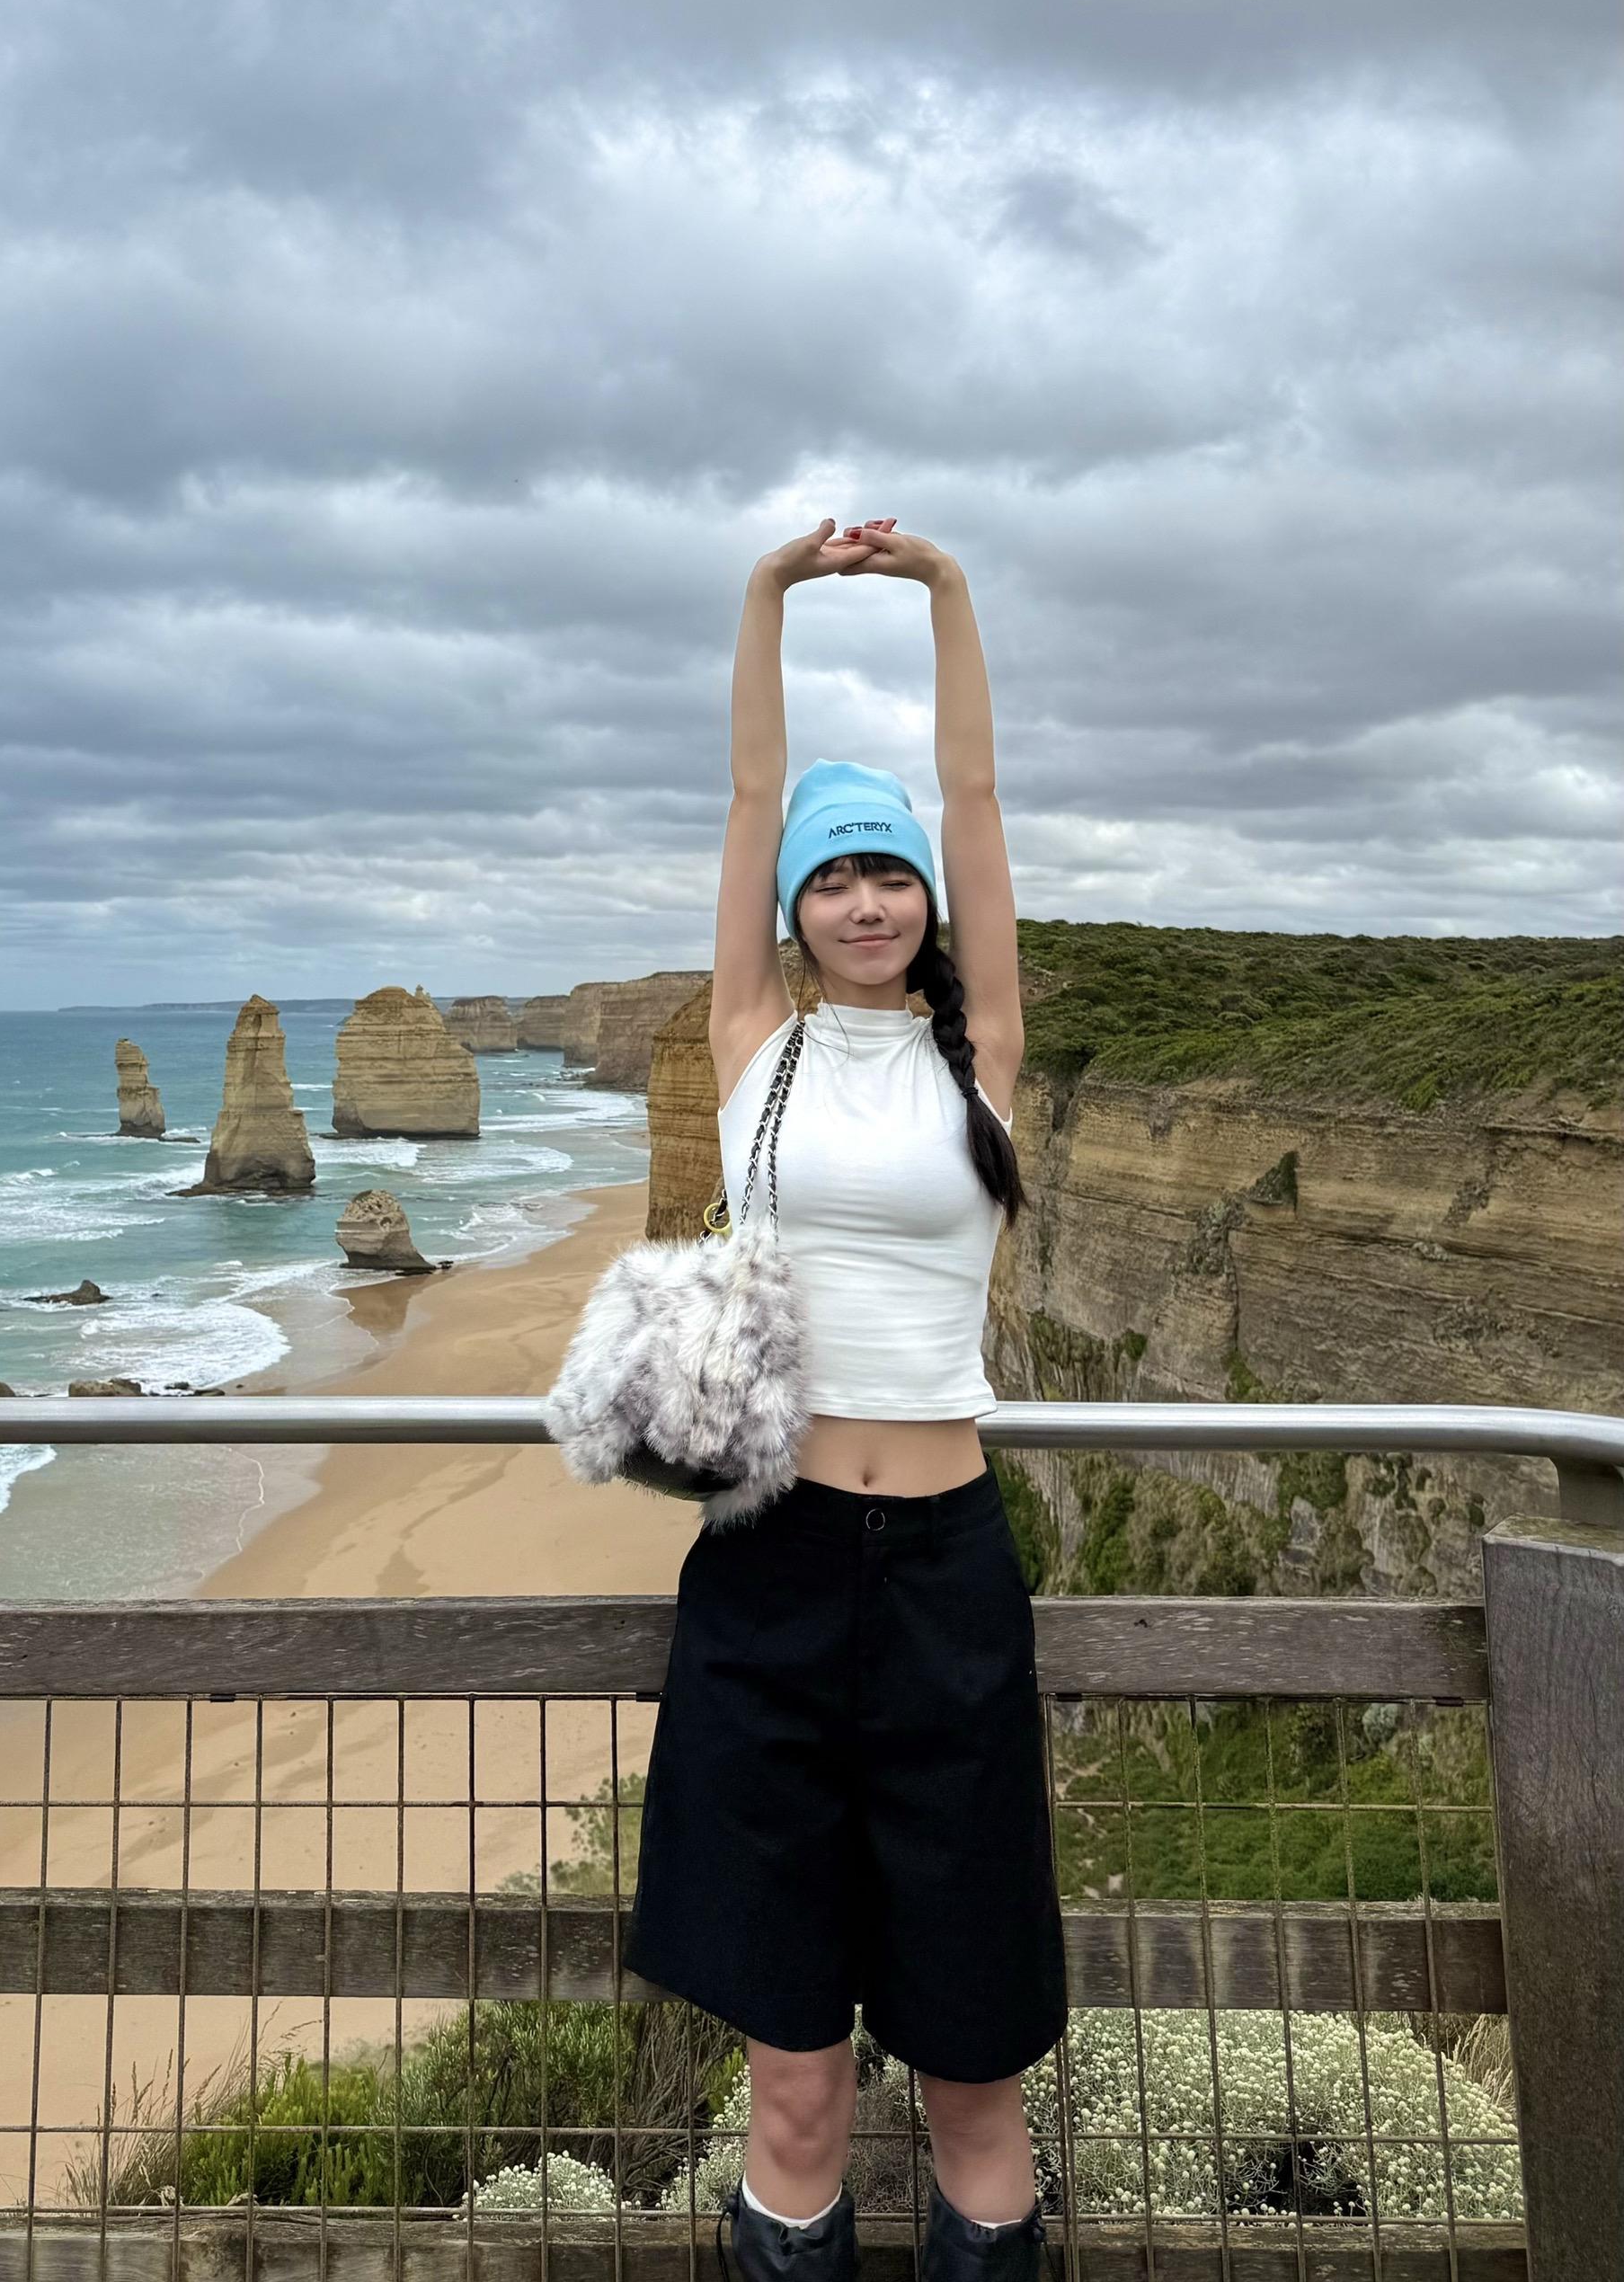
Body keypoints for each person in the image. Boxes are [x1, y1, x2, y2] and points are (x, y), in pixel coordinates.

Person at [622, 519, 1068, 2282]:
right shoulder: (754, 1046)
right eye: (835, 875)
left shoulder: (986, 1059)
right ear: (796, 909)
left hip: (951, 1576)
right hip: (774, 1569)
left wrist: (951, 595)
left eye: (890, 874)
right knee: (793, 2086)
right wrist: (764, 598)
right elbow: (747, 792)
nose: (869, 896)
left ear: (925, 905)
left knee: (976, 2082)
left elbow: (976, 789)